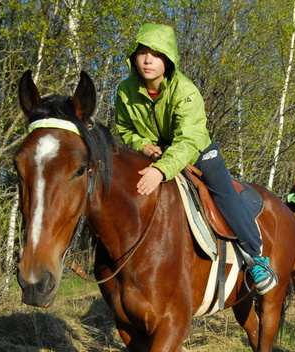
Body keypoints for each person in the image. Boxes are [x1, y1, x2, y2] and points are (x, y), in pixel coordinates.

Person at [114, 23, 277, 294]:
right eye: (142, 52)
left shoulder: (185, 91)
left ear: (168, 60)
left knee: (224, 194)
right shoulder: (124, 91)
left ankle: (257, 258)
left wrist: (162, 170)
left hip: (197, 150)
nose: (147, 59)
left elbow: (188, 139)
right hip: (153, 153)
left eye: (156, 54)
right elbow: (125, 129)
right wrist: (143, 145)